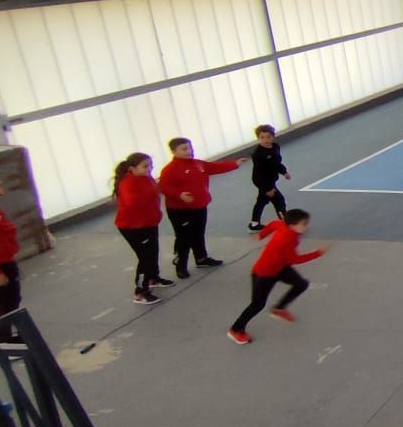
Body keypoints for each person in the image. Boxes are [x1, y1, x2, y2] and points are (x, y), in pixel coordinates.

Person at [226, 208, 326, 344]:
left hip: (279, 267)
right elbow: (295, 259)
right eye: (304, 224)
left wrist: (261, 235)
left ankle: (278, 309)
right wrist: (318, 253)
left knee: (301, 284)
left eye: (306, 223)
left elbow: (273, 224)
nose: (306, 226)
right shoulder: (286, 239)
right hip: (264, 273)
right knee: (257, 304)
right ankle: (235, 330)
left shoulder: (284, 225)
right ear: (292, 225)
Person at [158, 138, 240, 278]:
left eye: (190, 148)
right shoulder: (170, 169)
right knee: (184, 238)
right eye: (184, 149)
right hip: (181, 210)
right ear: (174, 151)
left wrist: (234, 164)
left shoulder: (198, 164)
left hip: (199, 206)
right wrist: (179, 195)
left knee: (198, 233)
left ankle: (201, 258)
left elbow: (214, 167)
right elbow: (163, 187)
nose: (189, 151)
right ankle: (181, 266)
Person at [113, 153, 171, 304]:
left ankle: (153, 278)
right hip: (134, 227)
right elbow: (132, 201)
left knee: (153, 252)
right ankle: (140, 292)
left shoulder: (146, 178)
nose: (150, 169)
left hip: (149, 223)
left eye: (150, 165)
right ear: (132, 168)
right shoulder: (128, 183)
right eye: (145, 166)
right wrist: (152, 190)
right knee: (145, 258)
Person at [0, 173, 21, 340]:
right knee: (1, 306)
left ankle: (7, 337)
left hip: (6, 261)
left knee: (12, 301)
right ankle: (3, 341)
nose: (1, 192)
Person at [248, 124, 290, 232]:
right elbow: (259, 174)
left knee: (261, 201)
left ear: (273, 137)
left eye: (268, 137)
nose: (266, 140)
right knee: (279, 201)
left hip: (271, 180)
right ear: (258, 138)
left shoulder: (275, 147)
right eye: (262, 137)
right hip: (263, 182)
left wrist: (284, 172)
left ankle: (254, 224)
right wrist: (268, 188)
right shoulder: (258, 154)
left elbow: (277, 163)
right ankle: (284, 223)